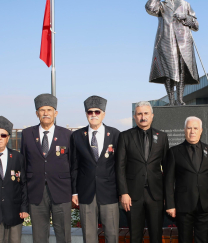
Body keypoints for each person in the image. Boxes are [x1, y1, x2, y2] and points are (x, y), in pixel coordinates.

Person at [20, 94, 72, 243]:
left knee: (63, 234)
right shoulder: (27, 134)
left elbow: (73, 164)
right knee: (39, 235)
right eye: (42, 110)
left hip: (61, 191)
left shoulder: (67, 134)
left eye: (49, 110)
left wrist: (74, 192)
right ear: (37, 113)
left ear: (55, 113)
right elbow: (23, 165)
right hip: (36, 192)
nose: (46, 113)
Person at [116, 101, 169, 243]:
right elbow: (120, 166)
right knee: (135, 236)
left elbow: (167, 169)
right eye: (139, 114)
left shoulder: (162, 137)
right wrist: (124, 193)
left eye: (146, 113)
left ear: (152, 116)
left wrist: (167, 196)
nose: (143, 117)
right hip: (132, 196)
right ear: (134, 117)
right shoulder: (125, 136)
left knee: (156, 235)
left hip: (156, 195)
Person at [70, 96, 120, 243]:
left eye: (97, 112)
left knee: (112, 234)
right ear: (86, 114)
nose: (93, 115)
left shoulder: (115, 134)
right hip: (86, 193)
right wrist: (74, 191)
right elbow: (74, 166)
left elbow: (119, 165)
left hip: (109, 192)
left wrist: (121, 191)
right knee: (89, 236)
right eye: (90, 112)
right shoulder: (77, 136)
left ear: (103, 113)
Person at [145, 0, 199, 105]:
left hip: (183, 42)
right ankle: (171, 100)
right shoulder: (161, 5)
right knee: (168, 71)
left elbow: (196, 25)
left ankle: (180, 99)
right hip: (166, 41)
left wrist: (185, 17)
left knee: (181, 70)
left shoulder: (185, 4)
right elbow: (150, 8)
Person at [165, 116, 208, 243]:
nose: (192, 131)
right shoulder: (174, 152)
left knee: (204, 239)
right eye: (189, 128)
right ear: (184, 130)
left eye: (195, 128)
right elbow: (168, 181)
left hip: (205, 204)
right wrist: (170, 204)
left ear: (201, 130)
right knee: (184, 239)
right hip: (183, 205)